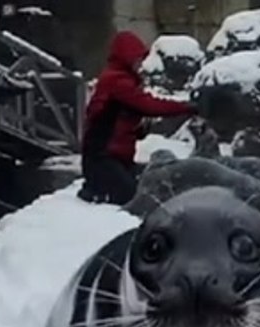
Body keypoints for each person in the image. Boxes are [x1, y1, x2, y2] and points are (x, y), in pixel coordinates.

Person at [78, 31, 196, 205]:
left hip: (116, 157)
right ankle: (96, 191)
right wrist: (186, 107)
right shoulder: (116, 81)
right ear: (126, 57)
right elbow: (149, 105)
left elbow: (122, 118)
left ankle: (98, 188)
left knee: (147, 187)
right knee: (131, 196)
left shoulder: (122, 79)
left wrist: (139, 129)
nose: (140, 63)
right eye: (136, 58)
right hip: (102, 158)